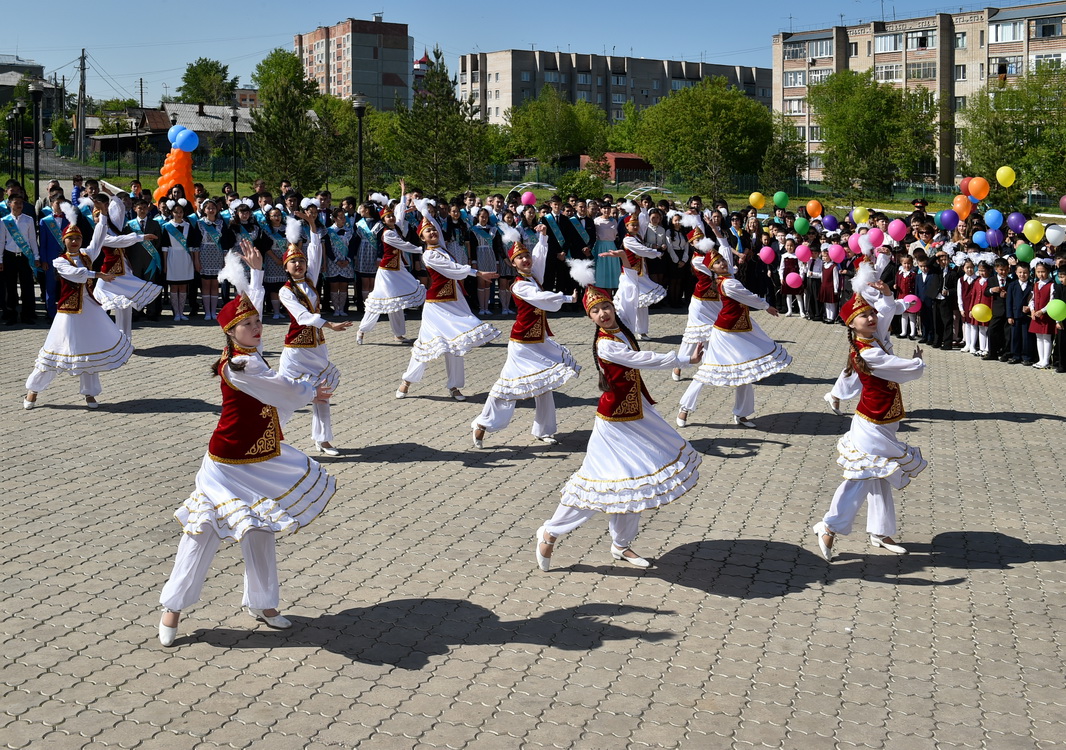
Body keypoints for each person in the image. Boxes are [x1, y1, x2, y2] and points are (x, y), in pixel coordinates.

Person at [157, 243, 336, 646]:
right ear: (231, 333)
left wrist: (255, 274)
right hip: (226, 463)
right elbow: (283, 390)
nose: (257, 327)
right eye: (248, 325)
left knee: (260, 528)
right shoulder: (241, 365)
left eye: (258, 322)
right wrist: (312, 391)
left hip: (261, 455)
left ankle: (264, 603)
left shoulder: (244, 350)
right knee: (201, 531)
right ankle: (172, 607)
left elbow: (246, 309)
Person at [533, 276, 702, 571]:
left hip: (638, 413)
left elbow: (630, 290)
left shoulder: (621, 326)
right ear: (590, 318)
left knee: (636, 482)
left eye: (605, 307)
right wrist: (683, 358)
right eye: (595, 312)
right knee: (597, 483)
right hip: (613, 424)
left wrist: (627, 263)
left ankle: (621, 545)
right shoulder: (606, 346)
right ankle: (551, 531)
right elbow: (642, 359)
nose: (603, 314)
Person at [813, 291, 926, 562]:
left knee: (879, 477)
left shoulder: (870, 340)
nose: (872, 317)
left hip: (885, 421)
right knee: (860, 478)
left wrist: (883, 292)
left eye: (871, 313)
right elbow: (903, 368)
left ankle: (880, 531)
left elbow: (886, 312)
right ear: (852, 324)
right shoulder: (870, 352)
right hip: (870, 425)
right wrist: (918, 361)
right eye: (864, 315)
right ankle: (829, 525)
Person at [471, 223, 580, 448]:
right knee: (508, 386)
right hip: (521, 344)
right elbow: (541, 299)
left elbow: (540, 257)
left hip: (539, 341)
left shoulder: (533, 277)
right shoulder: (519, 286)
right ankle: (482, 424)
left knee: (544, 383)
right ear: (513, 264)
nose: (526, 260)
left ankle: (543, 430)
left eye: (526, 255)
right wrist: (567, 298)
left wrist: (542, 237)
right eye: (520, 258)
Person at [23, 223, 132, 410]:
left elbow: (98, 240)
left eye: (78, 238)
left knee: (90, 350)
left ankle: (90, 394)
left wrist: (103, 215)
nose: (74, 242)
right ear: (64, 241)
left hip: (89, 309)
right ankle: (33, 391)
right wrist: (98, 274)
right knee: (54, 350)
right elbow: (76, 274)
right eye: (70, 238)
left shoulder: (86, 255)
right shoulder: (60, 261)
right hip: (69, 312)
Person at [395, 218, 500, 402]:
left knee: (456, 343)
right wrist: (477, 273)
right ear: (422, 237)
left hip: (454, 299)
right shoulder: (429, 255)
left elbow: (450, 261)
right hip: (436, 305)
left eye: (434, 230)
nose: (433, 233)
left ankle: (454, 386)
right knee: (425, 344)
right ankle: (407, 380)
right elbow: (452, 269)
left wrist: (426, 211)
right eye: (428, 231)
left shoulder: (442, 248)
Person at [275, 212, 353, 455]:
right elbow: (302, 317)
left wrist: (311, 225)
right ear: (286, 267)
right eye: (293, 262)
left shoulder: (310, 282)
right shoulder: (285, 291)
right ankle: (268, 438)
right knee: (285, 397)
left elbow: (316, 253)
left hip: (317, 346)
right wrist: (330, 325)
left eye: (301, 261)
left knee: (323, 392)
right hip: (296, 350)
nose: (299, 265)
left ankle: (323, 439)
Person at [688, 251, 791, 428]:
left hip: (740, 328)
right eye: (717, 262)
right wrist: (767, 306)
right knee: (709, 370)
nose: (722, 263)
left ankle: (742, 414)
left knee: (745, 370)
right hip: (725, 332)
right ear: (711, 268)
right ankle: (685, 407)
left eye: (722, 260)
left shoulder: (726, 279)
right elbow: (748, 296)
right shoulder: (728, 283)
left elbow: (727, 250)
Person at [89, 195, 162, 343]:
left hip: (124, 271)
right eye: (96, 216)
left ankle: (125, 339)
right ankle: (100, 336)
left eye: (100, 215)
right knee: (98, 302)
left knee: (125, 306)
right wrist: (139, 237)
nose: (98, 219)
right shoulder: (99, 232)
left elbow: (120, 208)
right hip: (109, 273)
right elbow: (118, 241)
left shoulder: (113, 227)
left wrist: (112, 195)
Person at [357, 202, 426, 344]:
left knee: (397, 301)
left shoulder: (396, 230)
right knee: (379, 301)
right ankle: (362, 329)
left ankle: (399, 334)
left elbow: (400, 214)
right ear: (383, 220)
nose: (392, 218)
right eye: (388, 217)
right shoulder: (388, 234)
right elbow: (404, 245)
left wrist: (403, 194)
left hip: (398, 268)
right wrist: (421, 249)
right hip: (387, 272)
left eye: (392, 216)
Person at [614, 208, 666, 339]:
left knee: (642, 304)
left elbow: (644, 220)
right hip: (629, 276)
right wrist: (657, 253)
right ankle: (624, 329)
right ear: (627, 226)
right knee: (627, 304)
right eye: (633, 225)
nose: (636, 227)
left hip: (640, 275)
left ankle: (642, 331)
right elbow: (643, 250)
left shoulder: (637, 236)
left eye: (637, 225)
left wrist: (640, 210)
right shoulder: (628, 240)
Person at [2, 194, 42, 325]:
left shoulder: (28, 220)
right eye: (16, 202)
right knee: (10, 287)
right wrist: (0, 260)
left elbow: (32, 240)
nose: (19, 205)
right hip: (9, 256)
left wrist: (36, 256)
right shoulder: (4, 221)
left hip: (25, 256)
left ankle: (28, 314)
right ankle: (11, 314)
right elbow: (1, 242)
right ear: (9, 204)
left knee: (28, 286)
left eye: (21, 203)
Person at [160, 199, 202, 321]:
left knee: (183, 286)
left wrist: (194, 261)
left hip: (185, 258)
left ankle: (182, 312)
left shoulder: (188, 226)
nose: (179, 214)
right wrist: (165, 264)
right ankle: (176, 313)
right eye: (176, 212)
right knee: (174, 286)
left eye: (181, 212)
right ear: (172, 213)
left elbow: (192, 246)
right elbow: (164, 247)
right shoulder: (167, 227)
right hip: (172, 258)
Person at [195, 198, 236, 321]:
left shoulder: (221, 224)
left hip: (217, 256)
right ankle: (207, 312)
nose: (211, 210)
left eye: (213, 208)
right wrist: (196, 261)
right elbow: (195, 244)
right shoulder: (199, 223)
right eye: (208, 208)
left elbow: (224, 243)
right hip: (204, 255)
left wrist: (225, 260)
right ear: (204, 210)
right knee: (206, 284)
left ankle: (214, 312)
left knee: (215, 285)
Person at [1029, 260, 1056, 369]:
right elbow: (1032, 299)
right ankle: (1040, 359)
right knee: (1038, 337)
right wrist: (1032, 310)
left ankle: (1046, 360)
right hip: (1036, 315)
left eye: (1043, 272)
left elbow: (1052, 300)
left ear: (1048, 271)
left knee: (1046, 337)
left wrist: (1042, 311)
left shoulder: (1051, 284)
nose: (1041, 274)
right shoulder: (1035, 284)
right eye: (1038, 272)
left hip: (1046, 315)